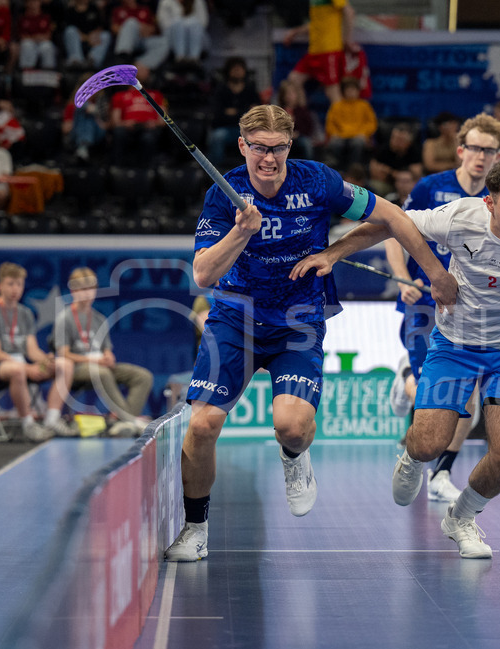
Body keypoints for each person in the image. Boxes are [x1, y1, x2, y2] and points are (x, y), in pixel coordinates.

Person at [163, 104, 458, 562]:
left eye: (278, 148)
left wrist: (429, 273)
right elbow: (203, 274)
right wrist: (241, 233)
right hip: (235, 319)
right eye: (259, 148)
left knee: (293, 428)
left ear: (290, 146)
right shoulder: (224, 194)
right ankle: (195, 529)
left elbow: (393, 217)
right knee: (202, 426)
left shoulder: (318, 181)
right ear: (242, 146)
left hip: (298, 321)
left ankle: (294, 456)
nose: (269, 158)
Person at [292, 156, 500, 559]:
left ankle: (462, 517)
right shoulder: (460, 217)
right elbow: (391, 223)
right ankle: (411, 459)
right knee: (428, 444)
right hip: (455, 345)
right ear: (490, 203)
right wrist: (333, 254)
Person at [383, 113, 500, 504]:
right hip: (424, 304)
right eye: (475, 148)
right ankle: (407, 377)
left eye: (489, 150)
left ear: (498, 156)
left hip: (472, 312)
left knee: (467, 398)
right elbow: (393, 230)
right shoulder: (430, 188)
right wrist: (403, 278)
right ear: (460, 150)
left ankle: (441, 473)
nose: (481, 156)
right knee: (432, 392)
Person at [0, 262, 81, 442]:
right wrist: (27, 367)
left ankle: (52, 419)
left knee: (65, 365)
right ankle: (28, 424)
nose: (15, 289)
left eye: (19, 284)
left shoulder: (25, 314)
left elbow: (32, 350)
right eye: (10, 284)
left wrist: (45, 360)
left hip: (23, 365)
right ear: (0, 286)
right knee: (17, 370)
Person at [54, 268, 155, 437]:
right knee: (102, 373)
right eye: (82, 289)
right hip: (77, 368)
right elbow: (63, 354)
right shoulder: (65, 318)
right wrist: (94, 361)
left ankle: (123, 422)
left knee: (143, 376)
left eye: (90, 288)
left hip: (100, 365)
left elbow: (106, 350)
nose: (87, 293)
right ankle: (130, 420)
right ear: (73, 291)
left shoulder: (99, 318)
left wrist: (108, 356)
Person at [283, 0, 358, 104]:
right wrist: (295, 32)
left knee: (332, 91)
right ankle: (303, 113)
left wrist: (347, 39)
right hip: (314, 51)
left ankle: (341, 115)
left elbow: (349, 12)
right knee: (294, 79)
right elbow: (316, 24)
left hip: (329, 50)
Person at [208, 57, 262, 166]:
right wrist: (244, 112)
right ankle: (215, 171)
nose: (237, 71)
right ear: (228, 71)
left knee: (261, 137)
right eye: (234, 69)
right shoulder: (221, 89)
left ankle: (254, 168)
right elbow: (217, 114)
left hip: (247, 130)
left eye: (240, 69)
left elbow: (257, 113)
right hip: (225, 128)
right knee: (217, 137)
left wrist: (233, 112)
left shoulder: (250, 88)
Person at [109, 66, 165, 167]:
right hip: (127, 128)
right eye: (139, 69)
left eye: (144, 69)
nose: (143, 72)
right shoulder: (119, 95)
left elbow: (163, 121)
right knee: (119, 133)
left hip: (149, 128)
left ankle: (148, 170)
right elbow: (115, 122)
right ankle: (118, 168)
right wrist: (125, 124)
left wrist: (154, 123)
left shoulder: (156, 95)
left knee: (148, 138)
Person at [323, 77, 376, 172]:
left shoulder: (364, 105)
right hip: (340, 135)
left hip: (359, 135)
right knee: (335, 143)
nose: (351, 92)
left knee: (358, 143)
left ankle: (354, 169)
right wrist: (334, 133)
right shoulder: (336, 106)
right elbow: (330, 123)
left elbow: (371, 123)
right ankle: (337, 169)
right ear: (343, 92)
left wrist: (364, 133)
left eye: (353, 90)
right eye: (348, 90)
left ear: (358, 91)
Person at [111, 0, 169, 71]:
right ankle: (122, 58)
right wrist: (134, 29)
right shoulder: (118, 10)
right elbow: (114, 28)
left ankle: (140, 65)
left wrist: (144, 29)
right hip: (127, 40)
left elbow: (153, 29)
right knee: (131, 22)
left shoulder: (144, 9)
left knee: (163, 42)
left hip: (143, 39)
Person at [368, 123, 422, 197]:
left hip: (407, 184)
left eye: (400, 140)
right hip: (388, 183)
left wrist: (390, 172)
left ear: (409, 142)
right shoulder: (384, 149)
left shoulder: (414, 151)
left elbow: (416, 174)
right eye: (393, 137)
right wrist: (396, 176)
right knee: (375, 185)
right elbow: (374, 172)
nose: (395, 142)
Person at [61, 0, 111, 70]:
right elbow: (68, 29)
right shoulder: (70, 11)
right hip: (78, 40)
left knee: (106, 35)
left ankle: (93, 61)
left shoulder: (93, 8)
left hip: (93, 40)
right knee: (70, 31)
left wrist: (96, 34)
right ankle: (76, 60)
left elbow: (100, 25)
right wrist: (87, 38)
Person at [156, 0, 208, 66]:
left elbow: (203, 22)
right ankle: (180, 57)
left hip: (195, 36)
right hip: (173, 36)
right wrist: (181, 26)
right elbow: (165, 25)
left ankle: (194, 58)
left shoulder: (198, 1)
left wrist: (187, 27)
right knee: (178, 23)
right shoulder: (165, 2)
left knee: (194, 23)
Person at [15, 0, 57, 70]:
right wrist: (34, 38)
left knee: (48, 46)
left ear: (40, 3)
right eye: (31, 2)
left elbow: (49, 35)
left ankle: (49, 70)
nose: (33, 4)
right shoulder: (22, 18)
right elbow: (21, 36)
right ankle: (27, 69)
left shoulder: (46, 17)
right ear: (27, 4)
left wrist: (40, 38)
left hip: (42, 42)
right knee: (26, 44)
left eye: (35, 2)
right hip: (29, 42)